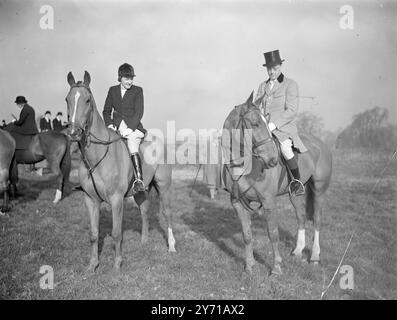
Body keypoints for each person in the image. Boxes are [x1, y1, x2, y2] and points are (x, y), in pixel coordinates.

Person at [254, 50, 308, 196]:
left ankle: (297, 182)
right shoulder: (261, 86)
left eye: (275, 68)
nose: (271, 72)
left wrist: (274, 125)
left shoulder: (290, 84)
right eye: (269, 69)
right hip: (264, 129)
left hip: (283, 128)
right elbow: (256, 107)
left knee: (285, 148)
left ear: (280, 67)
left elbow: (291, 110)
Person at [103, 63, 146, 193]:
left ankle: (138, 179)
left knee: (132, 144)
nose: (130, 81)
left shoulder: (138, 90)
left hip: (133, 128)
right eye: (127, 78)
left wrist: (131, 128)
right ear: (120, 78)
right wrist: (110, 124)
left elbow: (139, 112)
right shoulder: (112, 90)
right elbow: (106, 111)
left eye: (131, 78)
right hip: (116, 127)